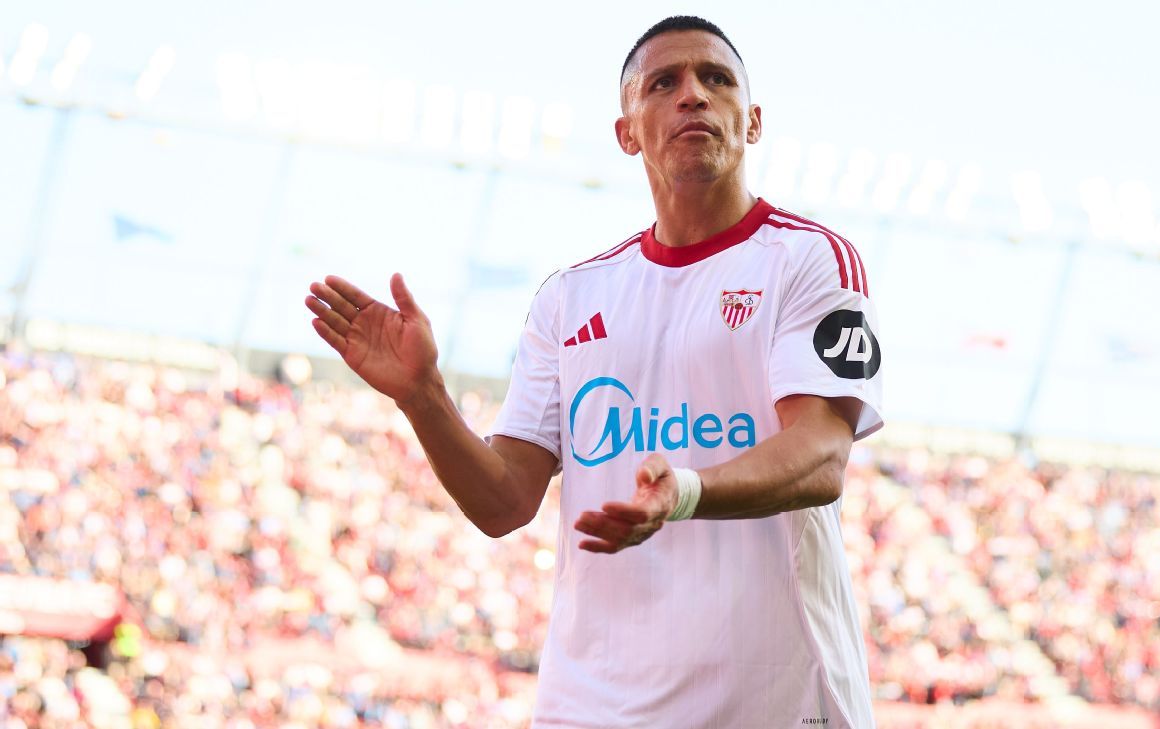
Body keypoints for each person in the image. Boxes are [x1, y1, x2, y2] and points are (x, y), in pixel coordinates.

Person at [305, 15, 884, 728]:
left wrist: (685, 492)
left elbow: (821, 456)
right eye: (664, 83)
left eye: (717, 79)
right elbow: (503, 502)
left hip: (768, 702)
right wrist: (423, 397)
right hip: (588, 705)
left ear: (753, 121)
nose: (693, 95)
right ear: (627, 132)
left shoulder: (810, 258)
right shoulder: (570, 297)